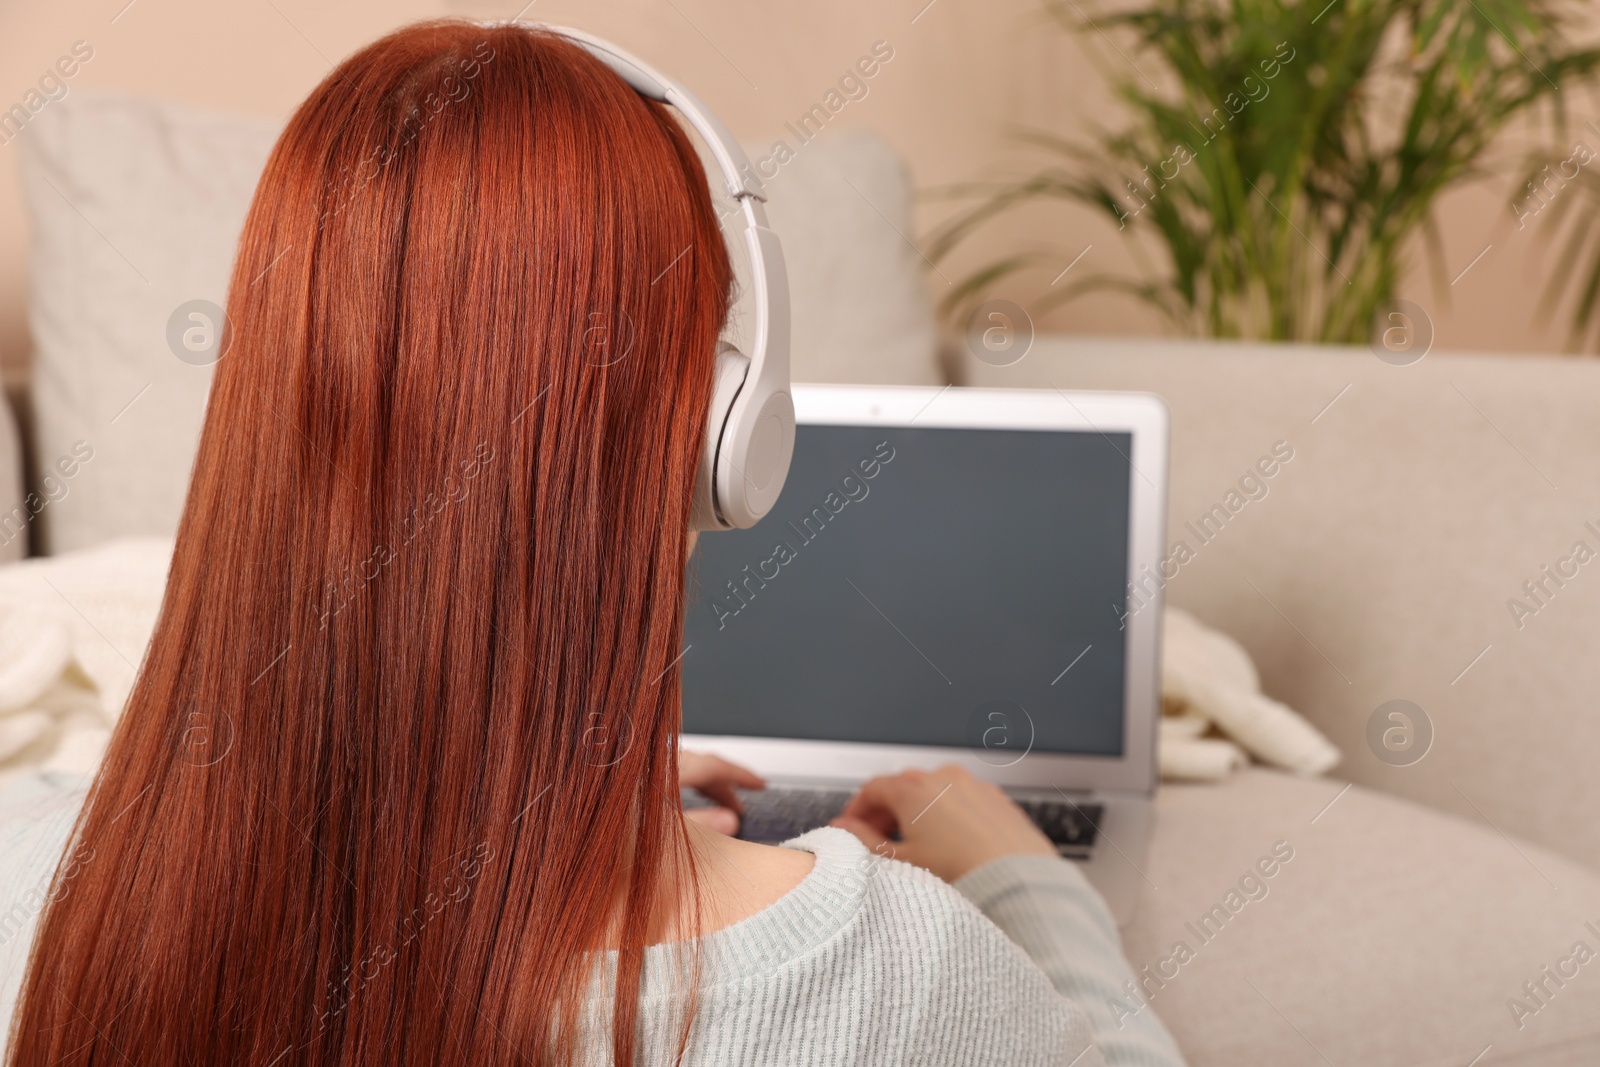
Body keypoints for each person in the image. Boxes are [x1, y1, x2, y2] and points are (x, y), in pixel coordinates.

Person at [0, 20, 1185, 1067]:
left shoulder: (40, 885)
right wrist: (1029, 887)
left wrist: (536, 795)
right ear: (725, 432)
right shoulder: (895, 974)